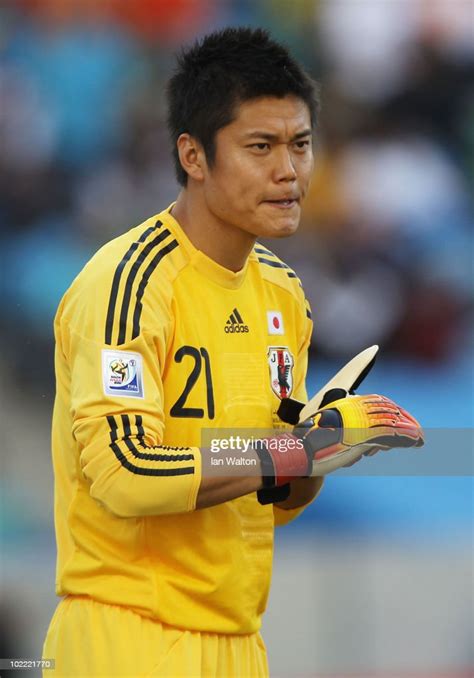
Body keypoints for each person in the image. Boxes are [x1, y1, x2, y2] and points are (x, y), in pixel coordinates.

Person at [42, 27, 423, 677]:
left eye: (301, 144)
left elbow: (271, 498)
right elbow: (125, 471)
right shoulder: (128, 284)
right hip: (129, 637)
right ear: (193, 155)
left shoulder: (284, 293)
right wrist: (291, 451)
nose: (289, 170)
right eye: (260, 146)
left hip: (240, 643)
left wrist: (321, 446)